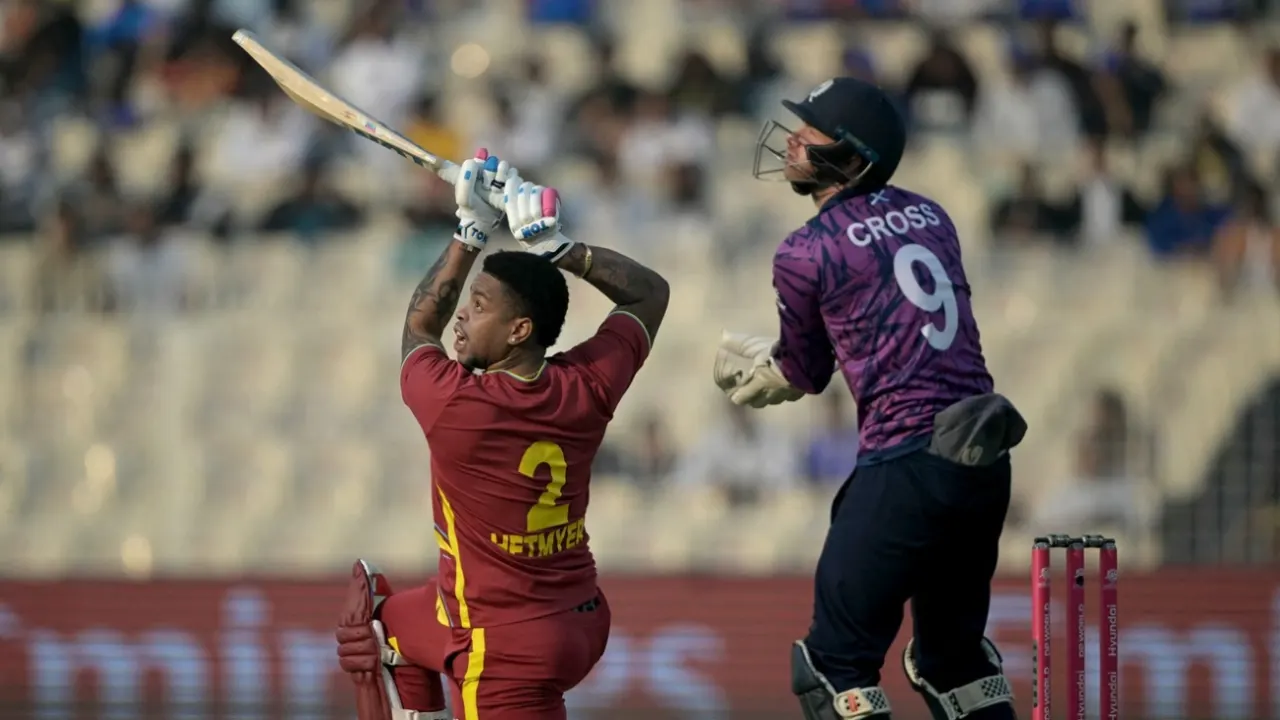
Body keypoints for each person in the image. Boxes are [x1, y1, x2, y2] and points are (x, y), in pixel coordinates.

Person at [714, 78, 1026, 720]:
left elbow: (806, 372)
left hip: (904, 465)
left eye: (811, 132)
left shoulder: (804, 251)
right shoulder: (933, 215)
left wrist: (776, 368)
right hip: (983, 460)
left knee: (831, 669)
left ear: (853, 158)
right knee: (954, 663)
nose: (792, 140)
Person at [335, 148, 670, 720]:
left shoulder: (455, 404)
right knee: (379, 627)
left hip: (503, 645)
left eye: (479, 305)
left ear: (519, 330)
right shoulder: (588, 384)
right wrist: (561, 249)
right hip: (580, 616)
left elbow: (420, 324)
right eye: (467, 302)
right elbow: (650, 293)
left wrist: (469, 231)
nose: (463, 315)